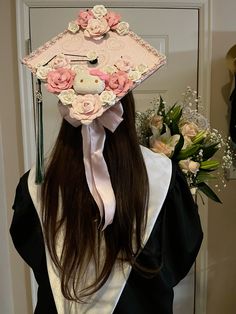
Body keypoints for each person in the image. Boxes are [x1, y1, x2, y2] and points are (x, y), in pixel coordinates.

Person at [10, 5, 203, 314]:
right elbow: (178, 258)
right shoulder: (163, 177)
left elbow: (32, 253)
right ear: (125, 106)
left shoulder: (37, 183)